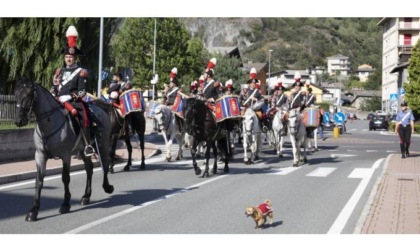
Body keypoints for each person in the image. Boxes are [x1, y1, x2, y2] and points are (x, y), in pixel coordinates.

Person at [51, 25, 94, 155]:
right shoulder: (59, 71)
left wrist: (69, 97)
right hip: (58, 101)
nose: (68, 59)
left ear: (75, 58)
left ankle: (87, 145)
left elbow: (82, 92)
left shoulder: (81, 72)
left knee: (82, 117)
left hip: (74, 102)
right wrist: (52, 93)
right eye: (66, 57)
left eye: (71, 57)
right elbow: (55, 87)